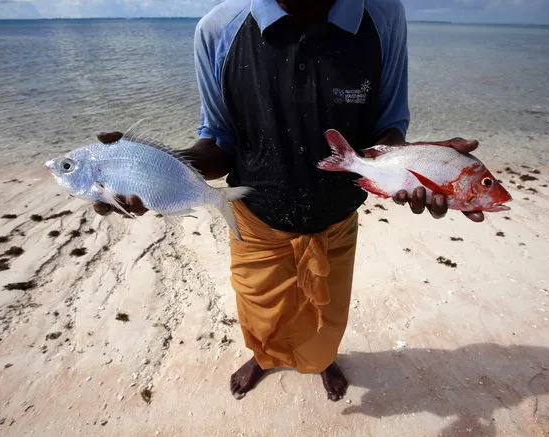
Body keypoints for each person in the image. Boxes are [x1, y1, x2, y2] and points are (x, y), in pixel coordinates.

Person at [93, 0, 484, 402]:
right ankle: (265, 357)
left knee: (325, 322)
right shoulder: (218, 30)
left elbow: (389, 127)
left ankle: (319, 359)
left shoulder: (382, 15)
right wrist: (151, 169)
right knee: (260, 314)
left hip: (337, 218)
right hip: (255, 220)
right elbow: (218, 144)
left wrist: (423, 166)